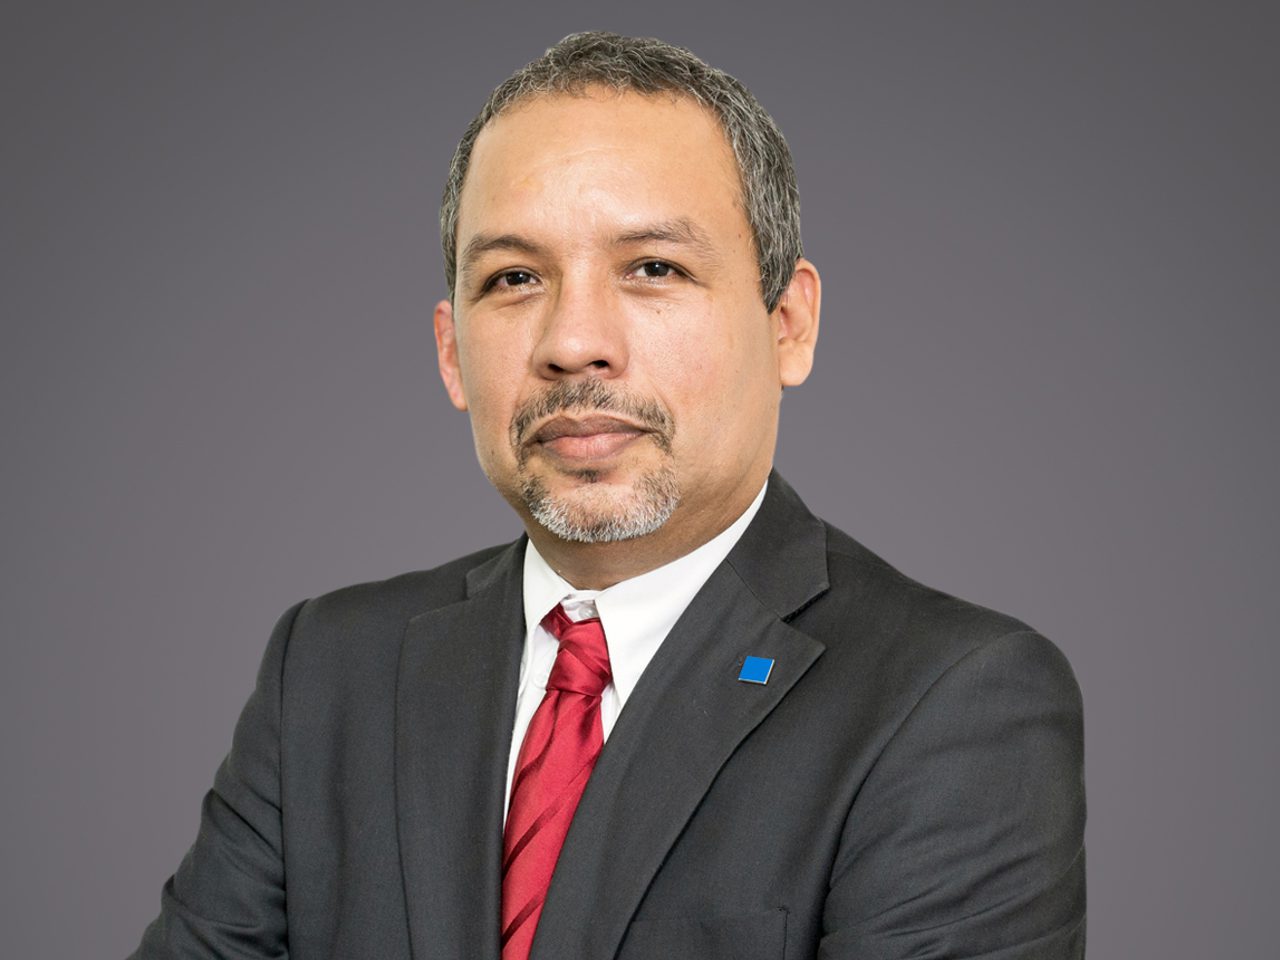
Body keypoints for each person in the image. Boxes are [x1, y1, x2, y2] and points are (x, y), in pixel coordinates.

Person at [130, 31, 1085, 960]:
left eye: (653, 268)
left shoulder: (953, 705)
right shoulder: (330, 671)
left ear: (788, 325)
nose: (573, 342)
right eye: (514, 278)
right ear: (452, 353)